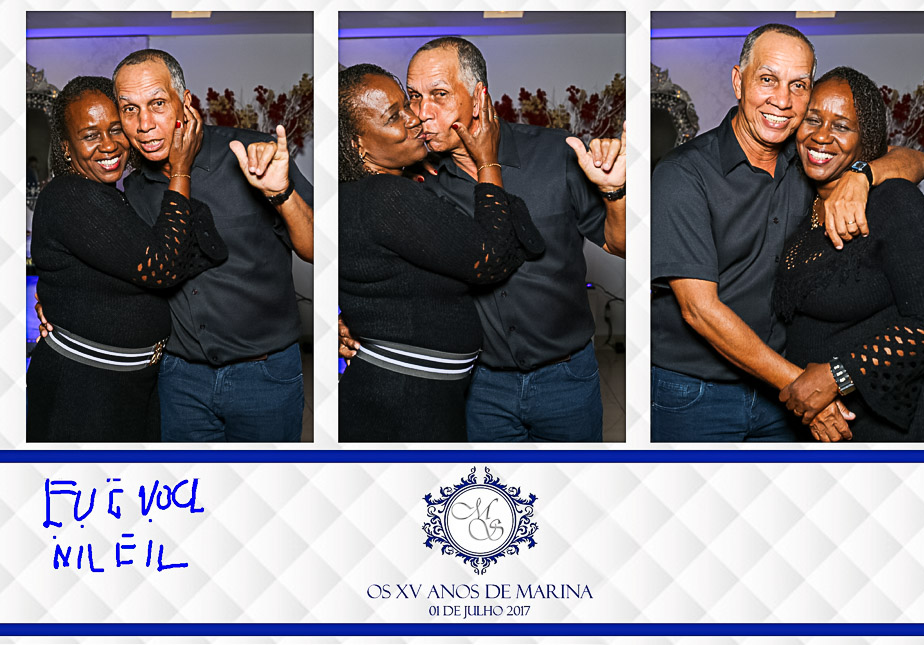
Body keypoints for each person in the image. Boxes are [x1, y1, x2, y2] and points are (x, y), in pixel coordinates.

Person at [651, 24, 924, 442]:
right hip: (698, 395)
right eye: (768, 79)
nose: (782, 100)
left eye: (798, 85)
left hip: (783, 401)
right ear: (738, 81)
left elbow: (917, 160)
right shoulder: (683, 174)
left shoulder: (807, 161)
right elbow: (699, 310)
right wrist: (805, 386)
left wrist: (863, 175)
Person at [340, 37, 626, 442]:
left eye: (439, 95)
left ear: (478, 98)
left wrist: (615, 193)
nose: (421, 113)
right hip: (479, 386)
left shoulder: (556, 153)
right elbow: (372, 263)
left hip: (566, 377)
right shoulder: (416, 179)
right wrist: (344, 318)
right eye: (415, 97)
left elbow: (620, 244)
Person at [38, 49, 315, 442]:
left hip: (263, 375)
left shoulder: (255, 154)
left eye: (157, 104)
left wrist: (281, 193)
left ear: (185, 102)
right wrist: (60, 303)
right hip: (177, 379)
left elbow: (318, 250)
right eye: (129, 110)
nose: (144, 124)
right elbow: (120, 264)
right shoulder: (131, 188)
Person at [338, 63, 544, 441]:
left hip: (417, 392)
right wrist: (487, 162)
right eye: (394, 116)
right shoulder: (385, 196)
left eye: (407, 104)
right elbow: (494, 257)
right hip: (403, 400)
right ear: (357, 144)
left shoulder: (365, 193)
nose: (414, 117)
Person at [27, 75, 226, 442]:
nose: (108, 144)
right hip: (83, 392)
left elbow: (200, 253)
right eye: (90, 135)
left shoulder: (115, 196)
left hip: (135, 385)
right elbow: (165, 266)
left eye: (116, 129)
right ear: (67, 148)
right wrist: (181, 171)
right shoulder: (69, 195)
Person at [774, 67, 924, 441]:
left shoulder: (895, 202)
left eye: (842, 126)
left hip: (884, 431)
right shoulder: (802, 200)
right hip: (812, 425)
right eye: (812, 119)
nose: (821, 136)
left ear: (867, 140)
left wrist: (839, 375)